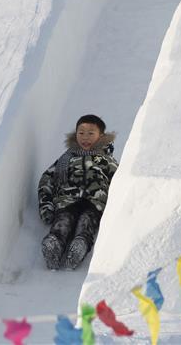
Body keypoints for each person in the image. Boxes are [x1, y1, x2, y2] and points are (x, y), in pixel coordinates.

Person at [38, 114, 119, 270]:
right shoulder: (65, 159)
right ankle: (54, 244)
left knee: (87, 221)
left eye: (90, 133)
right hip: (67, 199)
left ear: (101, 136)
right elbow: (46, 180)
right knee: (64, 220)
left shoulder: (107, 160)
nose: (85, 137)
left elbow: (119, 182)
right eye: (81, 133)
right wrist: (46, 205)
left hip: (95, 201)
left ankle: (80, 245)